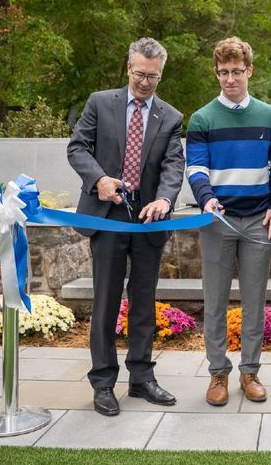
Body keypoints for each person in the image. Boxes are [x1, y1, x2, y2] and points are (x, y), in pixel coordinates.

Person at [67, 37, 184, 416]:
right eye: (139, 74)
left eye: (153, 76)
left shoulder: (171, 116)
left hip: (149, 221)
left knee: (144, 302)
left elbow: (173, 165)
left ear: (160, 74)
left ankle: (141, 379)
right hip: (107, 216)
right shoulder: (100, 103)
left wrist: (165, 199)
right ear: (128, 67)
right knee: (105, 303)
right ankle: (103, 383)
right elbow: (77, 148)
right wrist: (99, 179)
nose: (145, 82)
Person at [185, 37, 271, 406]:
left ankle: (250, 371)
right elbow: (196, 167)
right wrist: (207, 198)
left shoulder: (269, 116)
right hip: (217, 222)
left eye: (237, 71)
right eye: (223, 72)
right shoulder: (202, 118)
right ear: (217, 73)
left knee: (254, 301)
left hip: (260, 221)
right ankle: (217, 374)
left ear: (249, 71)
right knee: (214, 301)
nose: (230, 79)